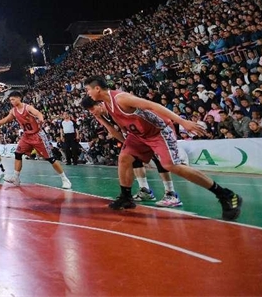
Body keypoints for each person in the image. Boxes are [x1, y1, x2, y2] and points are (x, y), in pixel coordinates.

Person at [83, 76, 242, 220]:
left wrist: (182, 121)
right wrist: (101, 119)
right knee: (124, 157)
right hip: (139, 135)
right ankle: (126, 197)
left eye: (88, 89)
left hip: (158, 131)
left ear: (97, 88)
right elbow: (121, 136)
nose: (87, 93)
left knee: (170, 165)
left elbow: (153, 104)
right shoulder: (106, 105)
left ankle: (226, 194)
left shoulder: (121, 98)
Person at [82, 96, 183, 207]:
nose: (92, 112)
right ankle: (144, 190)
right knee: (133, 158)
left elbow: (145, 110)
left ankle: (171, 193)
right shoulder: (101, 115)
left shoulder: (115, 105)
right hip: (135, 134)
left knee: (160, 160)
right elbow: (113, 131)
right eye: (89, 111)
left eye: (92, 109)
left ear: (100, 104)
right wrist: (128, 143)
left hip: (150, 130)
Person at [0, 91, 71, 189]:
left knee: (50, 158)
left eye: (13, 99)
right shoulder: (13, 111)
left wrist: (41, 119)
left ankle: (65, 179)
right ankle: (16, 178)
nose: (11, 101)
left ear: (19, 98)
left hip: (37, 135)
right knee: (18, 154)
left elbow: (38, 113)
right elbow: (6, 119)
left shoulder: (27, 107)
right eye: (10, 100)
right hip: (26, 136)